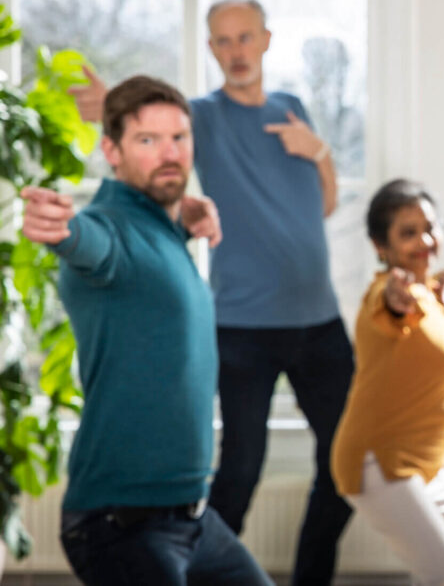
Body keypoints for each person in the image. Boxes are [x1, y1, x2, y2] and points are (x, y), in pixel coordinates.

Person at [68, 0, 355, 586]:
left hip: (319, 321)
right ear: (210, 49)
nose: (236, 52)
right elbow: (149, 128)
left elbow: (322, 203)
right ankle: (190, 561)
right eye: (222, 41)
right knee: (241, 470)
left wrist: (321, 154)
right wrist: (105, 100)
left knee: (348, 466)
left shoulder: (291, 109)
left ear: (267, 40)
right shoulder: (204, 116)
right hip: (245, 326)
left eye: (245, 38)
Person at [22, 75, 273, 586]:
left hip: (195, 520)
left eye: (178, 138)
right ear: (110, 151)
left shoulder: (161, 227)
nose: (169, 154)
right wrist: (62, 231)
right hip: (121, 522)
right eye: (147, 140)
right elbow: (93, 245)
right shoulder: (108, 229)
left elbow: (153, 241)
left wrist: (184, 215)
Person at [330, 179, 444, 586]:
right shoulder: (385, 297)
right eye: (408, 233)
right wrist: (393, 293)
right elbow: (388, 299)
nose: (425, 239)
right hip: (376, 459)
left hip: (421, 462)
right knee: (443, 569)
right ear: (380, 247)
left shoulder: (432, 293)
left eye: (430, 227)